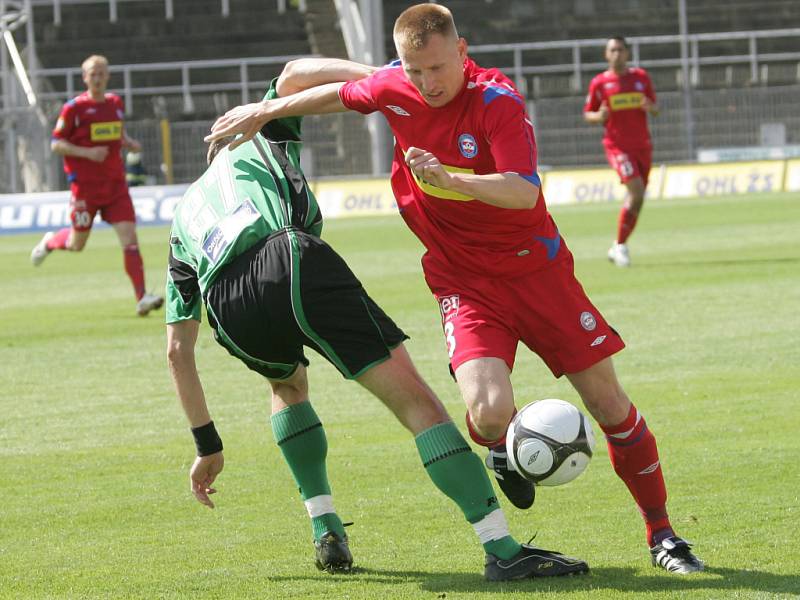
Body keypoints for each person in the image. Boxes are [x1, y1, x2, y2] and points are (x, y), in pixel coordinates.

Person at [205, 3, 703, 575]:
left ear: (462, 52)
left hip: (538, 274)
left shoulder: (498, 102)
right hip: (464, 283)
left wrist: (449, 178)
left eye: (438, 68)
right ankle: (500, 452)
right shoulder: (397, 85)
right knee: (489, 413)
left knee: (608, 404)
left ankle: (663, 535)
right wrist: (264, 111)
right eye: (415, 71)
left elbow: (522, 192)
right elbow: (337, 93)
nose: (427, 83)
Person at [167, 58, 588, 581]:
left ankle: (324, 526)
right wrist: (388, 76)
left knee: (288, 385)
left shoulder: (181, 218)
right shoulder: (258, 134)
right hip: (289, 258)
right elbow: (296, 71)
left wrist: (208, 446)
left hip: (227, 304)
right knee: (418, 405)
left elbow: (177, 353)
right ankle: (501, 549)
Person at [30, 54, 163, 317]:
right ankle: (50, 242)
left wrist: (127, 142)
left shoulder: (114, 102)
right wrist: (88, 153)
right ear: (85, 77)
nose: (98, 78)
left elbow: (116, 132)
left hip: (115, 186)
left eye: (102, 73)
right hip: (85, 188)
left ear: (108, 76)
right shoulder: (74, 109)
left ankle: (142, 297)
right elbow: (56, 143)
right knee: (77, 244)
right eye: (93, 74)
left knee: (130, 239)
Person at [583, 36, 659, 268]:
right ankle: (621, 247)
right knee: (635, 192)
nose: (617, 54)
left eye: (620, 50)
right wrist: (599, 116)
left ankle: (618, 244)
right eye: (612, 50)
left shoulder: (640, 78)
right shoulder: (600, 83)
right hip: (618, 147)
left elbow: (655, 109)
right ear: (607, 55)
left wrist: (650, 107)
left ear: (627, 53)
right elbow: (588, 114)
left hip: (642, 146)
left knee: (637, 200)